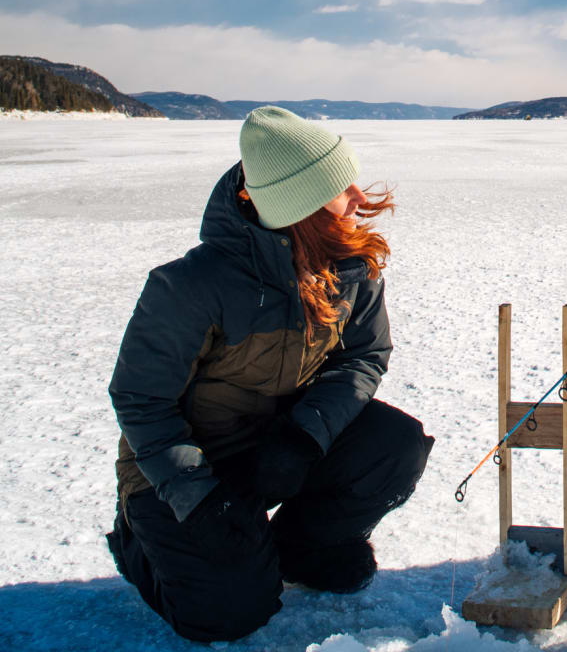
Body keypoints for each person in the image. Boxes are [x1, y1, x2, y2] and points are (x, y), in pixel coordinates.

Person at [106, 106, 434, 643]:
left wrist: (304, 437)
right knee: (229, 614)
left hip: (274, 442)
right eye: (340, 187)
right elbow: (141, 401)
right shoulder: (192, 285)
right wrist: (197, 496)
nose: (358, 196)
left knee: (393, 445)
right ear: (300, 206)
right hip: (185, 467)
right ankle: (138, 544)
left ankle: (303, 549)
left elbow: (364, 356)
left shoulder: (349, 265)